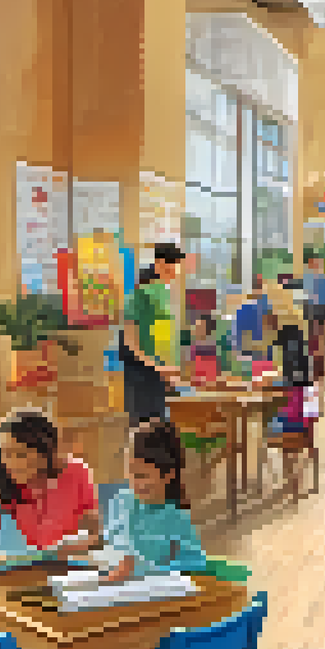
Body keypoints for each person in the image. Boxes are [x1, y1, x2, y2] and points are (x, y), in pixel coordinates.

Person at [0, 411, 101, 555]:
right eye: (5, 453)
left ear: (45, 453)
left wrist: (75, 548)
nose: (11, 463)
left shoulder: (76, 474)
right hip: (8, 572)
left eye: (20, 454)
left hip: (65, 569)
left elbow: (95, 534)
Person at [97, 419, 208, 581]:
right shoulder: (122, 500)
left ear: (168, 474)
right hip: (110, 582)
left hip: (150, 591)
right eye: (130, 474)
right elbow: (108, 541)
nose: (134, 483)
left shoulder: (176, 519)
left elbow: (193, 565)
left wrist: (139, 567)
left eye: (141, 476)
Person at [121, 243, 186, 424]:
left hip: (158, 375)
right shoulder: (140, 296)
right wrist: (158, 366)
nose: (175, 273)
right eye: (170, 267)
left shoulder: (164, 296)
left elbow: (165, 340)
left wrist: (170, 369)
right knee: (145, 426)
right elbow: (130, 339)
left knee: (159, 425)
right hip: (141, 374)